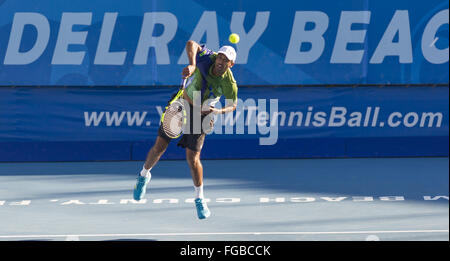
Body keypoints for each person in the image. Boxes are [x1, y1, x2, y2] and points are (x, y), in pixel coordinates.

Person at [133, 40, 238, 219]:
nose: (220, 61)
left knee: (193, 158)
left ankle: (199, 199)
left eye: (225, 59)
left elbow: (233, 105)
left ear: (230, 64)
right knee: (160, 146)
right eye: (220, 57)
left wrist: (218, 111)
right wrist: (192, 64)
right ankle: (143, 176)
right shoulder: (207, 58)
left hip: (202, 113)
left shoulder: (230, 83)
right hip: (183, 103)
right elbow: (191, 43)